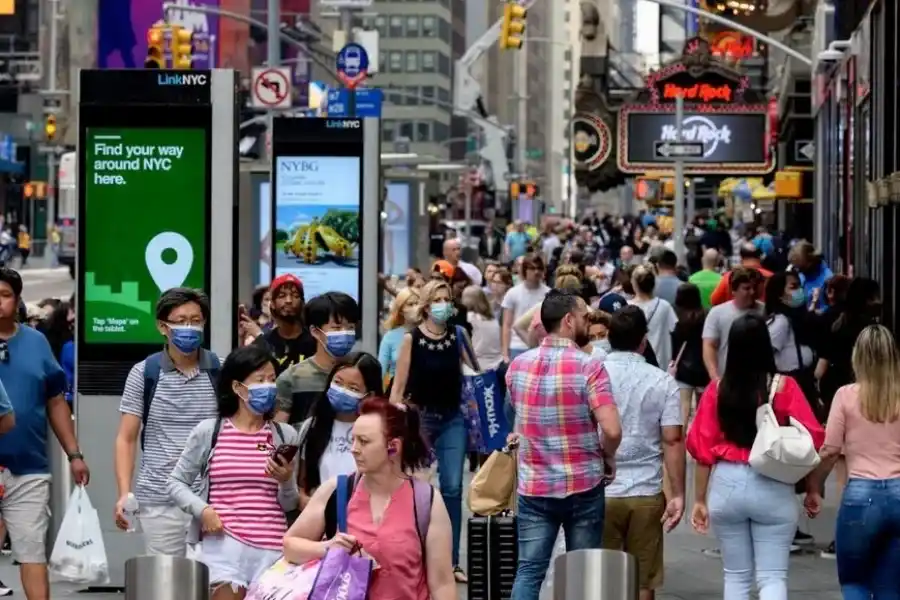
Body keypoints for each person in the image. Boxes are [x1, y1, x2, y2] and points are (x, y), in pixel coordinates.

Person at [686, 314, 824, 600]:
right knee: (773, 576)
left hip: (727, 484)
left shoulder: (717, 389)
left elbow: (703, 449)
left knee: (735, 576)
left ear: (731, 348)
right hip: (773, 483)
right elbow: (809, 440)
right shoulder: (785, 387)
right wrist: (812, 489)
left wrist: (699, 500)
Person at [506, 289, 622, 600]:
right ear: (569, 320)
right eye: (585, 316)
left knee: (529, 570)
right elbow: (611, 429)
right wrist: (607, 457)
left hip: (534, 486)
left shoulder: (517, 366)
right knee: (582, 575)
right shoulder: (590, 367)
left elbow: (514, 418)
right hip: (583, 482)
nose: (589, 321)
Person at [284, 397, 456, 600]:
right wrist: (327, 549)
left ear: (393, 447)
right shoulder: (337, 490)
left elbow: (442, 583)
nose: (354, 449)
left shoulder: (426, 501)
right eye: (353, 439)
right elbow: (289, 546)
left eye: (364, 441)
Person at [168, 344, 301, 598]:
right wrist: (203, 510)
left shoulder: (285, 435)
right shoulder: (210, 432)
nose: (269, 387)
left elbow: (289, 503)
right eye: (260, 380)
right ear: (237, 387)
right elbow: (176, 482)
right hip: (223, 546)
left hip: (272, 549)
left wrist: (285, 481)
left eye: (272, 380)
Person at [0, 267, 86, 600]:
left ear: (18, 300)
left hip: (29, 468)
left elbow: (55, 402)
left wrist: (74, 454)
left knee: (32, 553)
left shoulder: (36, 343)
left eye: (5, 295)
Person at [114, 288, 219, 556]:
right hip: (159, 500)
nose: (189, 327)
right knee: (166, 585)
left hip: (212, 499)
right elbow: (126, 438)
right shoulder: (144, 373)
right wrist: (125, 493)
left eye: (196, 320)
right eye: (181, 320)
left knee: (213, 584)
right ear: (163, 327)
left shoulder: (221, 370)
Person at [389, 279, 476, 582]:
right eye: (438, 299)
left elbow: (476, 377)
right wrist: (392, 429)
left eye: (447, 299)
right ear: (426, 305)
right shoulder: (411, 339)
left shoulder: (458, 335)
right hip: (420, 419)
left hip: (453, 418)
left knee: (453, 488)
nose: (444, 304)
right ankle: (415, 557)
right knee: (417, 490)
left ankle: (451, 562)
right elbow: (397, 389)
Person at [804, 325, 900, 597]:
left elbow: (831, 450)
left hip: (860, 494)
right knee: (891, 586)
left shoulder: (845, 396)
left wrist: (814, 487)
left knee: (854, 581)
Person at [601, 306, 685, 600]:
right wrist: (677, 493)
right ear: (643, 341)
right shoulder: (662, 381)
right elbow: (673, 440)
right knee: (642, 580)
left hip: (601, 490)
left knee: (603, 578)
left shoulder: (592, 375)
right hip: (646, 490)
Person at [299, 353, 383, 506]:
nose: (342, 391)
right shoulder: (312, 426)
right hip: (322, 518)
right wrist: (308, 503)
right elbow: (303, 484)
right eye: (338, 382)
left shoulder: (381, 431)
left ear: (369, 395)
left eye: (353, 388)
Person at [275, 292, 359, 426]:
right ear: (315, 331)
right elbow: (278, 431)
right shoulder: (291, 379)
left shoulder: (361, 374)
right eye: (336, 328)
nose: (345, 333)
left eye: (350, 327)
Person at [702, 267, 764, 381]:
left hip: (759, 380)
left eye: (754, 287)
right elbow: (709, 345)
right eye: (746, 288)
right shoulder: (717, 313)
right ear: (733, 290)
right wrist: (714, 377)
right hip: (728, 380)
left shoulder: (764, 311)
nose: (752, 292)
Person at [249, 274, 317, 374]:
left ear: (302, 302)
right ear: (272, 303)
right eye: (282, 296)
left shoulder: (316, 342)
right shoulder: (262, 344)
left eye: (295, 295)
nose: (289, 301)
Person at [501, 253, 550, 363]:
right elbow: (507, 325)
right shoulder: (512, 293)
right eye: (532, 268)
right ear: (524, 270)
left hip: (541, 348)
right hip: (517, 347)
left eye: (539, 268)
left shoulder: (548, 293)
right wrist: (505, 353)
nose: (536, 272)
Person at [671, 283, 709, 423]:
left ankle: (681, 439)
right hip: (703, 366)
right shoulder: (706, 314)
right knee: (703, 407)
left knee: (683, 406)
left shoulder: (677, 316)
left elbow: (674, 340)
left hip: (683, 367)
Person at [629, 266, 678, 368]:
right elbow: (674, 331)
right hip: (662, 363)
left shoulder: (627, 308)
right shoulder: (664, 306)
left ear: (634, 284)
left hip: (636, 363)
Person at [378, 287, 420, 389]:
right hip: (397, 393)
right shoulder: (390, 337)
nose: (416, 307)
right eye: (410, 304)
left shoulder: (430, 333)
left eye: (418, 303)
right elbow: (380, 372)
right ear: (401, 311)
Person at [788, 241, 833, 312]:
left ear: (811, 261)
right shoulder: (801, 276)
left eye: (802, 268)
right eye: (797, 268)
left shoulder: (828, 279)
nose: (799, 271)